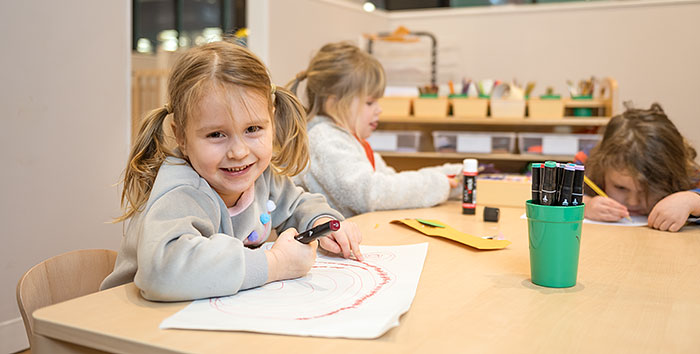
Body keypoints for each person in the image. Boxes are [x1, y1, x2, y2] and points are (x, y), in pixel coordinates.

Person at [101, 41, 362, 301]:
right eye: (216, 134)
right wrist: (275, 262)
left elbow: (296, 205)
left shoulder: (260, 176)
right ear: (181, 136)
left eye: (253, 129)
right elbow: (163, 273)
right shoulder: (181, 191)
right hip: (131, 328)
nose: (238, 152)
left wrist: (321, 222)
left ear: (271, 119)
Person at [288, 42, 460, 218]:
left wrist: (450, 176)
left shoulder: (349, 140)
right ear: (334, 103)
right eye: (370, 103)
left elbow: (390, 181)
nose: (379, 109)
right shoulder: (325, 140)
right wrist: (437, 184)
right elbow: (372, 194)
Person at [580, 103, 700, 232]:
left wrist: (692, 201)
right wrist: (585, 205)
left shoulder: (689, 176)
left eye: (647, 189)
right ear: (602, 167)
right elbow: (560, 195)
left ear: (671, 176)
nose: (633, 202)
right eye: (620, 188)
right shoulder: (587, 166)